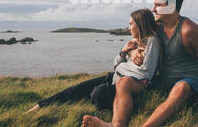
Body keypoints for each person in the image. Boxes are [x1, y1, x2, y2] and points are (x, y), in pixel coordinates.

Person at [26, 9, 161, 121]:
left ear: (141, 24)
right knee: (77, 88)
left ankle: (88, 102)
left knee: (98, 92)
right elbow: (115, 65)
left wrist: (123, 66)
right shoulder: (134, 42)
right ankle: (40, 106)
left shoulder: (152, 42)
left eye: (132, 24)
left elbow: (146, 73)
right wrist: (124, 52)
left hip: (125, 85)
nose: (128, 27)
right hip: (114, 77)